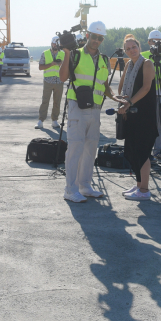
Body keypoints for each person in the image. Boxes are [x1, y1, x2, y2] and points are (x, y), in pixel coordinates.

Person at [59, 20, 117, 203]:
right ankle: (70, 189)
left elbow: (105, 85)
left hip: (95, 109)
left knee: (91, 149)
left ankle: (84, 186)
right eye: (94, 36)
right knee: (75, 147)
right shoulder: (75, 55)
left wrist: (115, 97)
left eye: (100, 38)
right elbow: (62, 77)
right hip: (77, 107)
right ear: (87, 36)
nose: (97, 40)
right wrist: (67, 53)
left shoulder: (104, 60)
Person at [115, 34, 158, 201]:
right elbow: (121, 86)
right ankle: (139, 185)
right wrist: (122, 100)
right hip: (131, 114)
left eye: (134, 47)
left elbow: (146, 88)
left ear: (139, 48)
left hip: (144, 115)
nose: (131, 50)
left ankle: (145, 190)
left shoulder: (147, 64)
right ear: (125, 51)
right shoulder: (128, 65)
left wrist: (129, 102)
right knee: (132, 151)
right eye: (128, 49)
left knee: (143, 152)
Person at [140, 30, 161, 156]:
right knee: (146, 122)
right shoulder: (142, 55)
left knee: (159, 124)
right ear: (149, 42)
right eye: (154, 41)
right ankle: (146, 150)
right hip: (147, 93)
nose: (156, 44)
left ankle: (158, 150)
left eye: (158, 41)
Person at [37, 36, 65, 130]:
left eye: (56, 44)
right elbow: (40, 67)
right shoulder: (45, 53)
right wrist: (51, 64)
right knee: (45, 101)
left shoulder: (63, 54)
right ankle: (41, 120)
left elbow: (67, 67)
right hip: (48, 81)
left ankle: (54, 121)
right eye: (53, 44)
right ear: (51, 44)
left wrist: (61, 64)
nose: (55, 46)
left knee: (57, 102)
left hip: (59, 81)